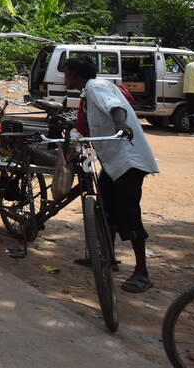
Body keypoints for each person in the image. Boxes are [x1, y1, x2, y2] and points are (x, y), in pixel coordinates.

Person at [64, 56, 159, 293]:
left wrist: (121, 124)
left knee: (128, 215)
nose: (65, 79)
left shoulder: (96, 86)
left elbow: (114, 108)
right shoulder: (89, 92)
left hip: (128, 162)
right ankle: (106, 258)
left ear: (76, 74)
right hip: (113, 164)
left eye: (67, 74)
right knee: (106, 211)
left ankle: (142, 272)